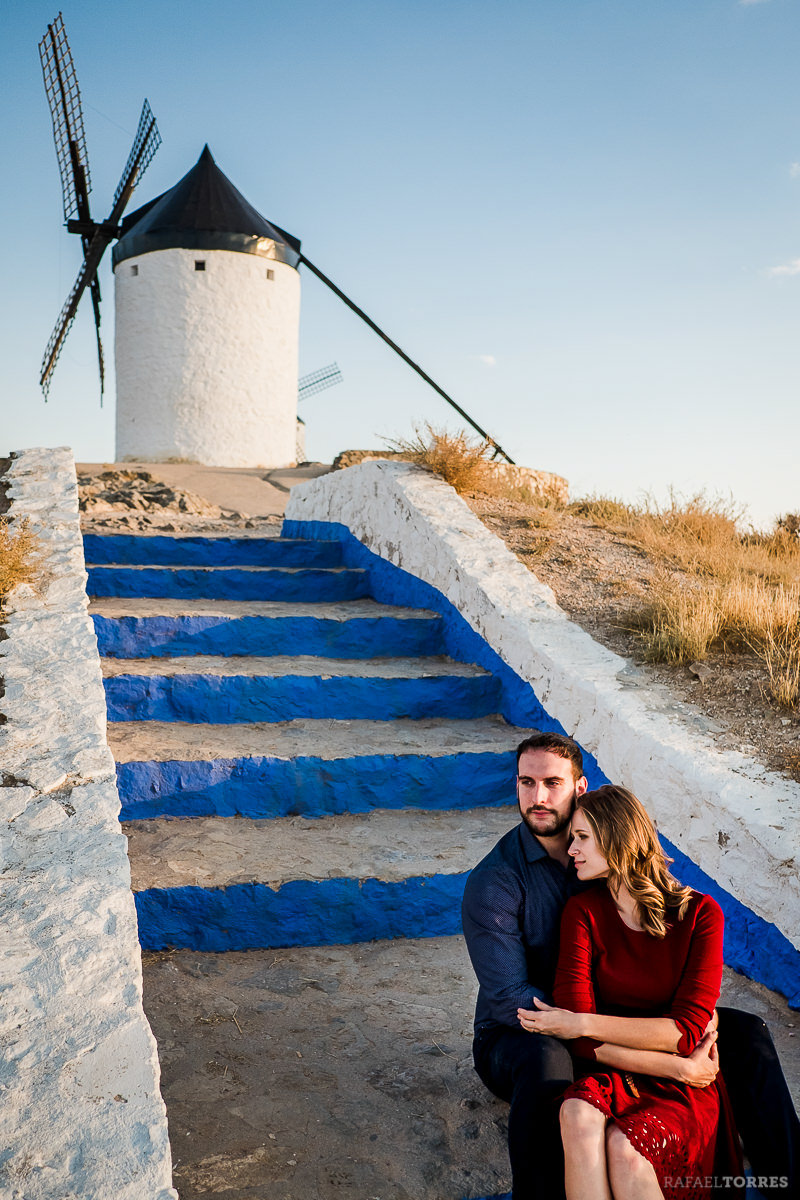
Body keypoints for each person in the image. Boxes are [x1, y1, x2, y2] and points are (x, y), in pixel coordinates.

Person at [461, 731, 799, 1200]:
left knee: (747, 1034)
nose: (538, 797)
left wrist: (686, 1023)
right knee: (548, 1062)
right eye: (526, 782)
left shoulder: (610, 876)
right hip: (521, 1030)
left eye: (552, 783)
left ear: (580, 789)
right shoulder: (496, 882)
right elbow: (513, 1000)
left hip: (601, 1014)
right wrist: (657, 1053)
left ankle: (786, 1176)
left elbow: (676, 1002)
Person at [519, 784, 742, 1199]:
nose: (572, 850)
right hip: (628, 1069)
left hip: (686, 1087)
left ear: (617, 837)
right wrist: (675, 1065)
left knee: (626, 1148)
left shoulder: (700, 915)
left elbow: (684, 1033)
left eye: (583, 838)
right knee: (576, 1113)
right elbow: (581, 1044)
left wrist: (582, 1023)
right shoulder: (583, 912)